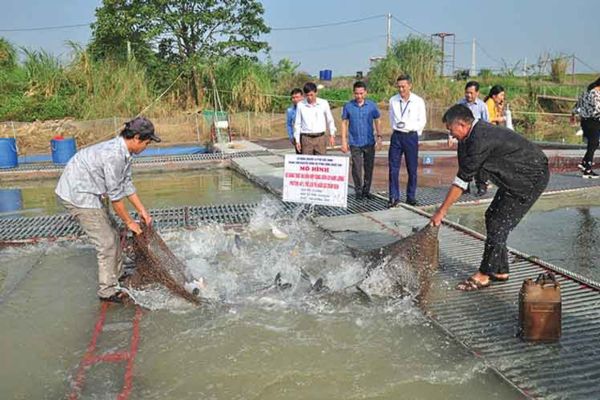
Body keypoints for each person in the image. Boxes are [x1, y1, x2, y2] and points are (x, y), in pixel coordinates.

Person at [431, 105, 549, 291]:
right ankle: (500, 270)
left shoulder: (480, 138)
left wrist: (441, 211)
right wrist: (481, 182)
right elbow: (468, 167)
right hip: (514, 175)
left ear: (462, 124)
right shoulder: (470, 136)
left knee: (499, 224)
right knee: (492, 217)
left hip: (531, 176)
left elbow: (461, 180)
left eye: (451, 130)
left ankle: (485, 274)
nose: (451, 135)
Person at [55, 117, 161, 303]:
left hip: (91, 191)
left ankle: (117, 275)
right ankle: (107, 291)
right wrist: (130, 222)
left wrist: (142, 211)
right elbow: (115, 197)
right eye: (146, 142)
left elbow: (126, 183)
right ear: (136, 138)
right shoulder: (114, 155)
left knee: (114, 233)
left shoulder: (125, 152)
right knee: (107, 242)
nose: (146, 146)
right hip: (78, 194)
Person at [388, 74, 427, 207]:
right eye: (398, 87)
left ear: (410, 86)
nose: (401, 89)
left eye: (403, 86)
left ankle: (411, 196)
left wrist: (415, 133)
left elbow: (422, 120)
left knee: (412, 168)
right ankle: (393, 197)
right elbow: (391, 117)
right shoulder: (393, 100)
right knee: (393, 168)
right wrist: (396, 129)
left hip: (411, 136)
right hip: (397, 136)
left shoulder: (418, 101)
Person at [341, 81, 382, 200]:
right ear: (353, 93)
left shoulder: (372, 105)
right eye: (356, 94)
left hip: (369, 142)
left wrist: (379, 136)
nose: (359, 96)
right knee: (356, 168)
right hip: (355, 142)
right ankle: (358, 191)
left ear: (366, 92)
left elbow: (377, 120)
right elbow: (344, 123)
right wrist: (344, 141)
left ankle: (366, 191)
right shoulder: (348, 106)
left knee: (369, 167)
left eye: (361, 93)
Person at [456, 80, 490, 196]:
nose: (468, 95)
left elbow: (486, 124)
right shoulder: (460, 105)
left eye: (471, 93)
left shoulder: (482, 106)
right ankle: (465, 186)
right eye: (467, 93)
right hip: (463, 139)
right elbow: (454, 121)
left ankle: (481, 185)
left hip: (477, 140)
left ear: (477, 93)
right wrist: (451, 136)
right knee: (463, 162)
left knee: (479, 163)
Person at [293, 82, 336, 155]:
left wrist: (332, 134)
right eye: (307, 95)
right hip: (306, 138)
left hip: (320, 138)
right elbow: (297, 123)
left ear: (316, 93)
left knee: (321, 163)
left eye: (311, 95)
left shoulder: (324, 103)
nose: (310, 97)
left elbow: (330, 120)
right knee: (306, 163)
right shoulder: (300, 105)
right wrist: (297, 140)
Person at [574, 76, 600, 178]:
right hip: (593, 121)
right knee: (593, 143)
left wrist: (573, 115)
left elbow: (577, 107)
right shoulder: (595, 94)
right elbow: (598, 109)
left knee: (594, 143)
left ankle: (585, 163)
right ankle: (587, 170)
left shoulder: (586, 93)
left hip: (585, 121)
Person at [286, 88, 304, 154]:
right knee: (300, 157)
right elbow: (289, 124)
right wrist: (291, 137)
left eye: (297, 97)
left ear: (302, 97)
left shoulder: (308, 108)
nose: (295, 99)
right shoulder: (290, 111)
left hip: (308, 135)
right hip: (297, 136)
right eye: (293, 98)